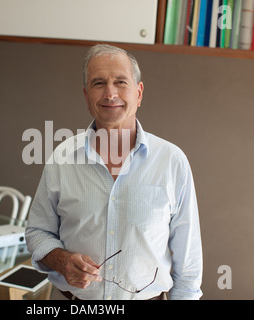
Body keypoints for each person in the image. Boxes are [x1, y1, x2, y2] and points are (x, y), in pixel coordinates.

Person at [25, 44, 202, 300]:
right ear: (86, 96)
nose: (110, 93)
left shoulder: (172, 161)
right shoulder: (61, 159)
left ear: (138, 93)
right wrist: (61, 260)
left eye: (120, 82)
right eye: (99, 83)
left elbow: (189, 261)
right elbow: (37, 232)